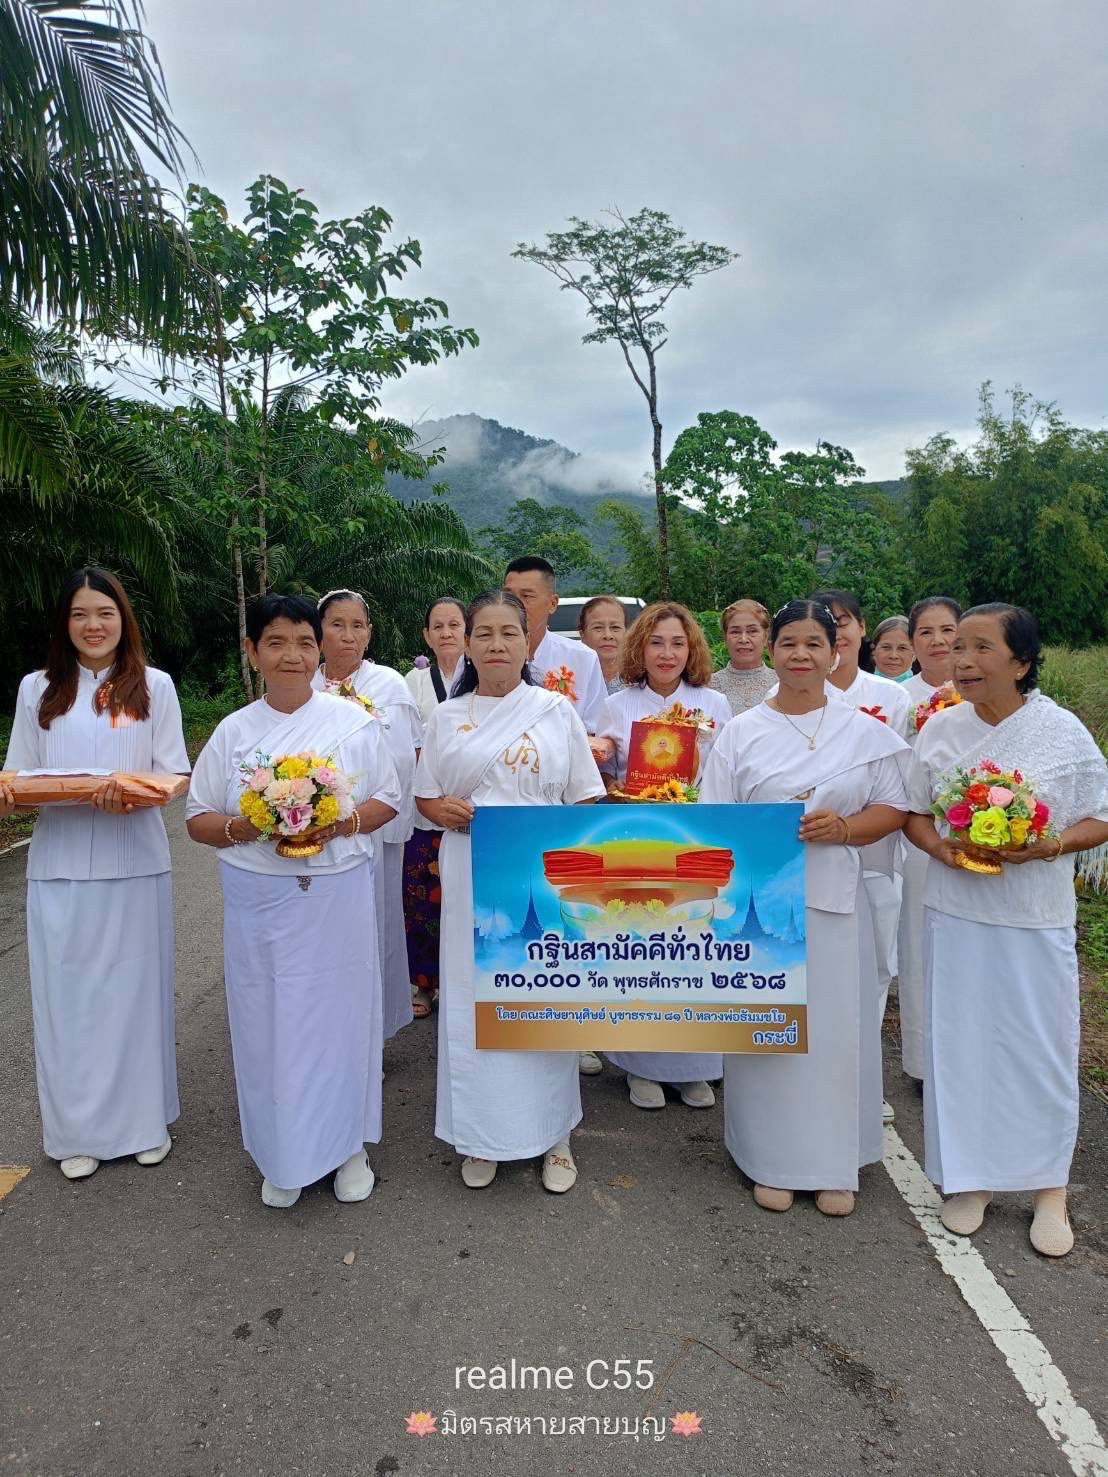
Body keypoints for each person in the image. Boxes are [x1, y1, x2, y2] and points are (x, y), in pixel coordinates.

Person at [905, 604, 1108, 1257]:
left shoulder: (1061, 731)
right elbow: (913, 813)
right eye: (957, 646)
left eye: (979, 647)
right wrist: (946, 852)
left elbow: (1099, 819)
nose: (960, 659)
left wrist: (1048, 845)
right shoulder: (939, 731)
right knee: (961, 1044)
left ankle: (1048, 1184)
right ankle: (973, 1177)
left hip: (1034, 913)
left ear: (1021, 661)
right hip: (956, 909)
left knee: (1040, 1045)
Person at [186, 594, 401, 1209]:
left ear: (320, 651)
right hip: (259, 901)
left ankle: (348, 1147)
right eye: (276, 642)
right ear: (253, 652)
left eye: (305, 642)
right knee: (268, 1024)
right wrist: (247, 825)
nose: (293, 654)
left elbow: (388, 798)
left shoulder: (352, 724)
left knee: (341, 1019)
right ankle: (282, 1153)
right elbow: (198, 818)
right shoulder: (233, 732)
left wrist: (339, 823)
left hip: (335, 896)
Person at [700, 600, 910, 1216]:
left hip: (836, 903)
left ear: (835, 651)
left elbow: (894, 809)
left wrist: (844, 829)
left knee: (835, 1031)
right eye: (788, 643)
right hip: (760, 906)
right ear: (772, 651)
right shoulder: (741, 732)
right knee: (769, 1031)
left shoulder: (865, 730)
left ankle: (832, 1163)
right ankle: (771, 1158)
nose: (800, 655)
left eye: (813, 644)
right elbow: (714, 821)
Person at [0, 567, 189, 1181]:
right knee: (68, 1000)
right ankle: (76, 1131)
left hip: (135, 861)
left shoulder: (154, 686)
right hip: (57, 867)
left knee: (136, 995)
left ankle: (143, 1124)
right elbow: (17, 779)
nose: (93, 625)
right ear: (65, 623)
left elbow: (176, 775)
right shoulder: (37, 689)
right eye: (80, 614)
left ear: (122, 619)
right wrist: (38, 792)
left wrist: (130, 793)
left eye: (104, 613)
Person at [414, 591, 605, 1193]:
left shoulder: (555, 711)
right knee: (475, 1002)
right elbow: (424, 795)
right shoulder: (446, 715)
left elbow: (586, 797)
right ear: (467, 643)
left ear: (528, 642)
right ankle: (481, 1134)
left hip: (540, 878)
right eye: (484, 634)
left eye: (509, 634)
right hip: (471, 872)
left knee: (539, 1000)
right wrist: (441, 808)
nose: (497, 645)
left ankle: (555, 1135)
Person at [592, 601, 733, 1110]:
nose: (667, 653)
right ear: (640, 648)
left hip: (697, 841)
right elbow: (602, 772)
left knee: (693, 950)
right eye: (656, 642)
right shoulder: (618, 705)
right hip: (638, 842)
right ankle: (640, 1065)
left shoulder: (716, 704)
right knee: (641, 951)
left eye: (677, 642)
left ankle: (698, 1067)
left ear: (692, 647)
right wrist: (605, 765)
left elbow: (726, 774)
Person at [811, 588, 911, 1124]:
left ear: (859, 629)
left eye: (844, 621)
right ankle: (814, 1079)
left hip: (874, 853)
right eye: (827, 624)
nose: (838, 632)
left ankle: (863, 1079)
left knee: (874, 969)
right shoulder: (800, 692)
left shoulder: (890, 698)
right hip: (810, 858)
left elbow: (900, 785)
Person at [313, 588, 423, 1039]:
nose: (348, 635)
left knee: (372, 926)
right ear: (318, 633)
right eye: (337, 625)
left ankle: (370, 1034)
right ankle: (322, 1025)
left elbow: (406, 757)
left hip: (371, 828)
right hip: (312, 827)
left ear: (370, 634)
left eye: (357, 626)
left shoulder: (388, 685)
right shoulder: (305, 682)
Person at [897, 596, 962, 1081]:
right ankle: (922, 1064)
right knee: (920, 945)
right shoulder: (903, 698)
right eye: (926, 633)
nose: (938, 642)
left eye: (947, 631)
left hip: (988, 841)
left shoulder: (991, 689)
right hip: (922, 836)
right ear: (913, 640)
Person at [403, 597, 467, 1016]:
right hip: (424, 801)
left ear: (467, 632)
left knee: (462, 898)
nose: (446, 632)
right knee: (422, 897)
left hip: (465, 801)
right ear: (426, 636)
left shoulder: (480, 678)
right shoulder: (412, 682)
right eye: (437, 626)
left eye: (454, 625)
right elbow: (405, 740)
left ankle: (460, 982)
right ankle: (424, 983)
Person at [502, 556, 608, 733]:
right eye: (509, 596)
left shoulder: (582, 658)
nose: (516, 605)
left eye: (527, 596)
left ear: (552, 603)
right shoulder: (478, 656)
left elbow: (595, 728)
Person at [710, 598, 776, 714]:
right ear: (725, 637)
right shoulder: (708, 686)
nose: (744, 639)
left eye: (752, 631)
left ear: (765, 637)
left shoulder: (782, 684)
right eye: (735, 632)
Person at [578, 596, 628, 694]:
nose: (608, 635)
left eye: (615, 627)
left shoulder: (641, 679)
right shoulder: (570, 678)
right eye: (598, 627)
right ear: (582, 634)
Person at [871, 616, 914, 683]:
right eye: (886, 647)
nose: (893, 656)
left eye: (902, 648)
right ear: (873, 651)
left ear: (914, 655)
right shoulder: (857, 691)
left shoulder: (931, 692)